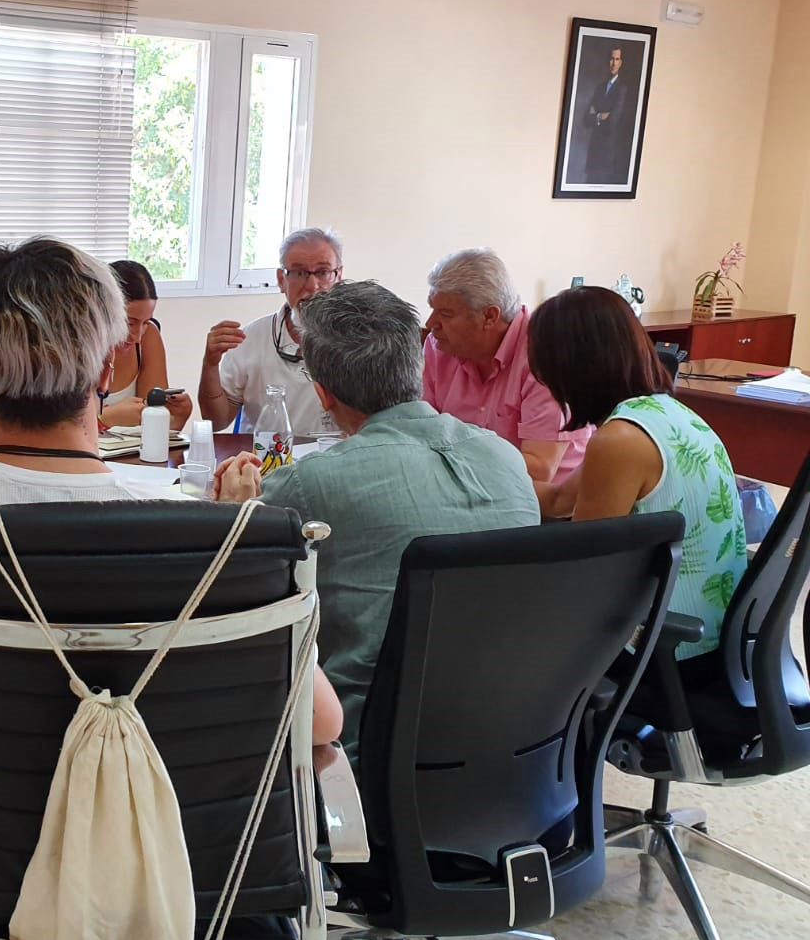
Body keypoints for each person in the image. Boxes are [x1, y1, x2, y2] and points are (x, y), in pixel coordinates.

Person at [0, 235, 343, 742]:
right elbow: (321, 724)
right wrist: (235, 529)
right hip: (162, 803)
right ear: (108, 366)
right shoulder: (211, 531)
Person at [214, 280, 539, 757]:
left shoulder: (310, 484)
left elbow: (226, 588)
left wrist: (233, 514)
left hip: (364, 749)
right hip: (518, 739)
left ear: (323, 394)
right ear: (417, 366)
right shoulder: (506, 458)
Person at [529, 287, 747, 663]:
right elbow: (560, 500)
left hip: (666, 645)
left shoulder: (620, 441)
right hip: (715, 633)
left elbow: (582, 570)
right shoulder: (665, 413)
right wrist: (489, 476)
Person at [422, 248, 588, 485]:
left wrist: (449, 458)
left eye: (445, 314)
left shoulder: (546, 353)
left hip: (542, 500)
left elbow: (540, 470)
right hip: (466, 488)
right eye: (432, 309)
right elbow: (420, 433)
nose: (430, 324)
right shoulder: (438, 346)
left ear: (490, 316)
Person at [197, 226, 343, 438]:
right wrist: (210, 363)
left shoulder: (361, 341)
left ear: (338, 276)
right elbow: (216, 421)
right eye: (299, 273)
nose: (313, 286)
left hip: (334, 455)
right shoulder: (250, 339)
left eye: (323, 272)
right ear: (281, 280)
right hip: (265, 456)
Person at [98, 259, 191, 429]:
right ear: (101, 310)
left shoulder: (149, 336)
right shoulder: (74, 346)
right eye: (130, 323)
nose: (137, 336)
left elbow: (153, 426)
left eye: (146, 322)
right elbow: (56, 433)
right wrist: (103, 420)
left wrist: (177, 418)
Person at [583, 46, 631, 184]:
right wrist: (600, 116)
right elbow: (586, 119)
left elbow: (613, 120)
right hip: (594, 154)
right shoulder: (599, 88)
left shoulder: (622, 89)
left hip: (609, 155)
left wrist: (596, 115)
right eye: (611, 59)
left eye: (617, 59)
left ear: (621, 63)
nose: (614, 63)